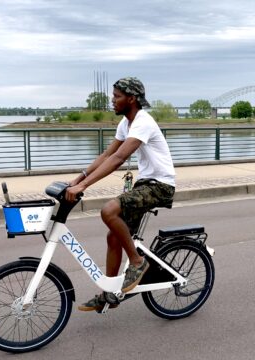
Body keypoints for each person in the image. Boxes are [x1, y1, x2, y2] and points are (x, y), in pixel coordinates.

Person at [65, 77, 176, 312]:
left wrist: (83, 187)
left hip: (161, 185)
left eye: (116, 96)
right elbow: (107, 154)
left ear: (132, 99)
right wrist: (79, 178)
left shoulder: (143, 122)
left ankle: (137, 262)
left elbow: (118, 159)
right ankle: (109, 293)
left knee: (109, 210)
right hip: (144, 184)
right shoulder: (125, 124)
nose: (112, 101)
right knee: (113, 237)